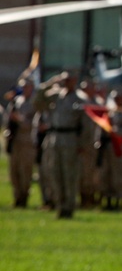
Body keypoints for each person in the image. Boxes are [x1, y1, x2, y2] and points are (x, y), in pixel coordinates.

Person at [32, 71, 88, 219]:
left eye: (69, 79)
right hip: (54, 138)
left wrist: (82, 144)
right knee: (55, 173)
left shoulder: (81, 98)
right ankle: (59, 205)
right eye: (64, 79)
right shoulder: (55, 95)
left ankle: (69, 206)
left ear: (75, 81)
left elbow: (86, 125)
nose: (66, 82)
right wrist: (50, 82)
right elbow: (37, 102)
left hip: (70, 138)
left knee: (69, 175)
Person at [4, 77, 37, 207]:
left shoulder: (34, 103)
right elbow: (8, 122)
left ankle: (24, 197)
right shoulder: (16, 102)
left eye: (26, 87)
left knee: (25, 171)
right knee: (14, 170)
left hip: (27, 141)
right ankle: (17, 196)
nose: (24, 89)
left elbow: (33, 123)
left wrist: (20, 120)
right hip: (16, 141)